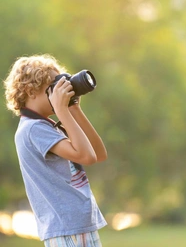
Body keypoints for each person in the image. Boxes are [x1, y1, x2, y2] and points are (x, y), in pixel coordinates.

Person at [4, 54, 108, 246]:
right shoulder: (33, 129)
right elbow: (87, 157)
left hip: (75, 225)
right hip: (67, 226)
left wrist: (74, 109)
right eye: (53, 88)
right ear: (30, 91)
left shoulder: (45, 125)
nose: (60, 93)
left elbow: (98, 154)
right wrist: (62, 111)